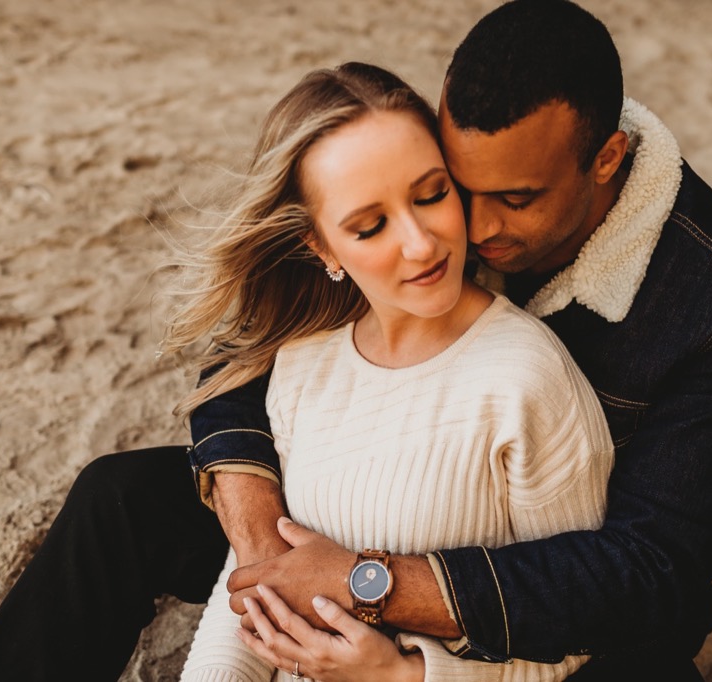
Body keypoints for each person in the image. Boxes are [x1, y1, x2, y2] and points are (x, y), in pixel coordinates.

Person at [0, 1, 712, 680]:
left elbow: (651, 570)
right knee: (119, 497)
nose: (467, 228)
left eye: (517, 200)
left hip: (552, 580)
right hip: (356, 503)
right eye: (453, 187)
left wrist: (373, 586)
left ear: (607, 160)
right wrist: (260, 543)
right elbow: (254, 341)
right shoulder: (438, 177)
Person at [173, 61, 613, 682]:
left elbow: (579, 630)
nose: (421, 244)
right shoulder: (303, 358)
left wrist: (405, 673)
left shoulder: (526, 379)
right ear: (322, 247)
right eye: (370, 226)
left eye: (432, 194)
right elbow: (260, 580)